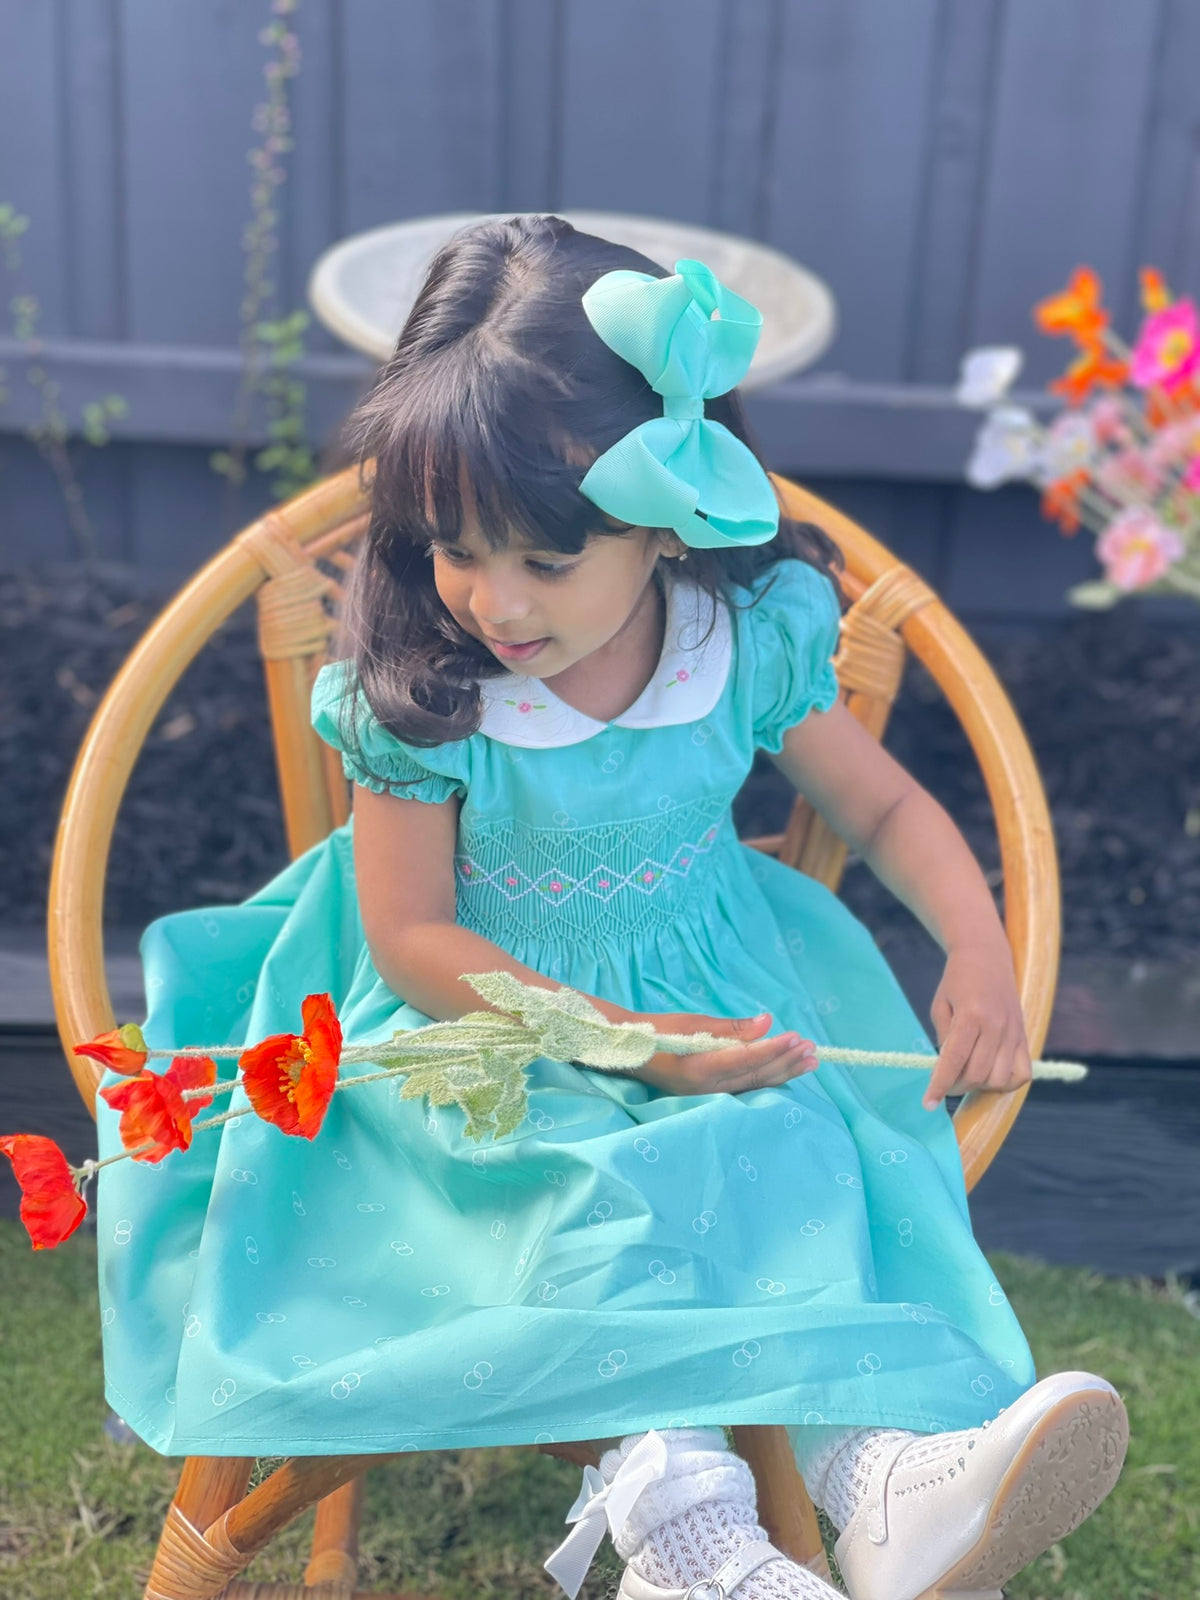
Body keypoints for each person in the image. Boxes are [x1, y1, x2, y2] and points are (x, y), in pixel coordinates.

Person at [95, 216, 1127, 1600]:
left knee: (785, 1151)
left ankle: (877, 1478)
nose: (494, 601)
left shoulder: (732, 641)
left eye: (544, 559)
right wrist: (622, 1041)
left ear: (660, 521)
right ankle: (693, 1541)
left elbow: (883, 808)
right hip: (479, 1022)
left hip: (706, 977)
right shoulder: (432, 689)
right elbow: (413, 935)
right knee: (586, 1196)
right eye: (455, 549)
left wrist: (981, 950)